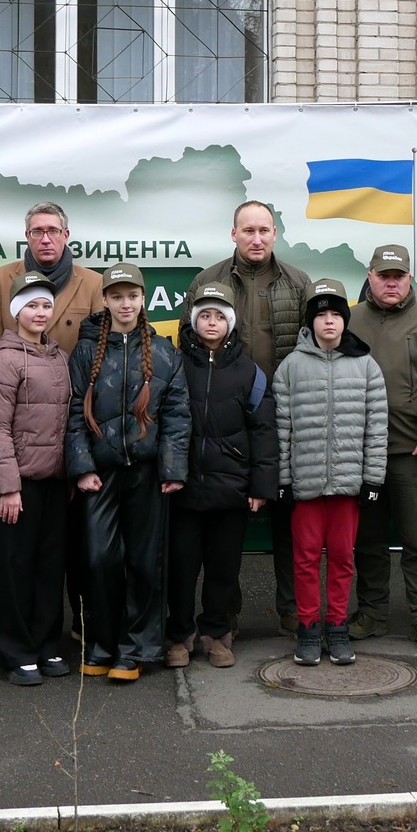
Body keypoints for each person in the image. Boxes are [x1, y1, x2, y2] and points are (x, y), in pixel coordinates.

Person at [187, 202, 311, 637]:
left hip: (284, 415)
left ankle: (292, 608)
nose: (256, 238)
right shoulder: (209, 281)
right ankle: (227, 613)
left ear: (275, 234)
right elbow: (190, 344)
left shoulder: (298, 283)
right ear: (233, 234)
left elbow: (311, 349)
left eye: (264, 230)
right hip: (225, 422)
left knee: (288, 518)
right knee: (226, 524)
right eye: (248, 230)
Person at [67, 262, 190, 681]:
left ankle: (136, 650)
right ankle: (101, 644)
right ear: (105, 300)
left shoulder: (164, 351)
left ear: (143, 298)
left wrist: (172, 468)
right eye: (116, 296)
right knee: (100, 558)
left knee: (144, 562)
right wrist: (82, 467)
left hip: (146, 472)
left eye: (132, 296)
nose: (125, 303)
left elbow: (176, 414)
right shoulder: (84, 352)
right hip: (100, 474)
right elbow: (71, 414)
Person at [348, 244, 417, 650]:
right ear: (371, 277)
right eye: (383, 276)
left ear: (409, 278)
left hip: (412, 452)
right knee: (368, 541)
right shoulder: (350, 320)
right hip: (360, 454)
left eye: (399, 276)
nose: (391, 283)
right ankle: (372, 613)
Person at [277, 279, 388, 668]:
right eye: (321, 314)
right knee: (305, 559)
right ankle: (308, 629)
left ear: (345, 321)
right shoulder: (291, 366)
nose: (329, 321)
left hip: (348, 486)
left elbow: (377, 427)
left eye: (336, 315)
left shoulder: (366, 365)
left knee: (342, 558)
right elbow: (282, 427)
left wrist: (373, 479)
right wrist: (283, 481)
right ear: (311, 321)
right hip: (305, 486)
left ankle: (337, 627)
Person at [167, 283, 277, 670]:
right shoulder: (174, 363)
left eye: (219, 316)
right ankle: (179, 635)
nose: (211, 323)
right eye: (204, 315)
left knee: (223, 568)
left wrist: (261, 485)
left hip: (230, 489)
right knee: (180, 567)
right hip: (181, 489)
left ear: (230, 323)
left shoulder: (250, 373)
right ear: (194, 321)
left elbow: (263, 431)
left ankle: (217, 633)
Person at [0, 272, 77, 685]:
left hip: (55, 483)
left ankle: (46, 645)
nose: (40, 313)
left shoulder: (58, 358)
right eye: (32, 306)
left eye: (46, 306)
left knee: (49, 566)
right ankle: (16, 651)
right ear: (17, 311)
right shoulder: (3, 361)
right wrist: (8, 486)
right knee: (14, 568)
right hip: (18, 486)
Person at [0, 202, 107, 354]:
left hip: (72, 376)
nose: (46, 240)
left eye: (53, 231)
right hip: (18, 376)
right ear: (27, 236)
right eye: (38, 232)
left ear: (65, 235)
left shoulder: (94, 283)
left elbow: (100, 347)